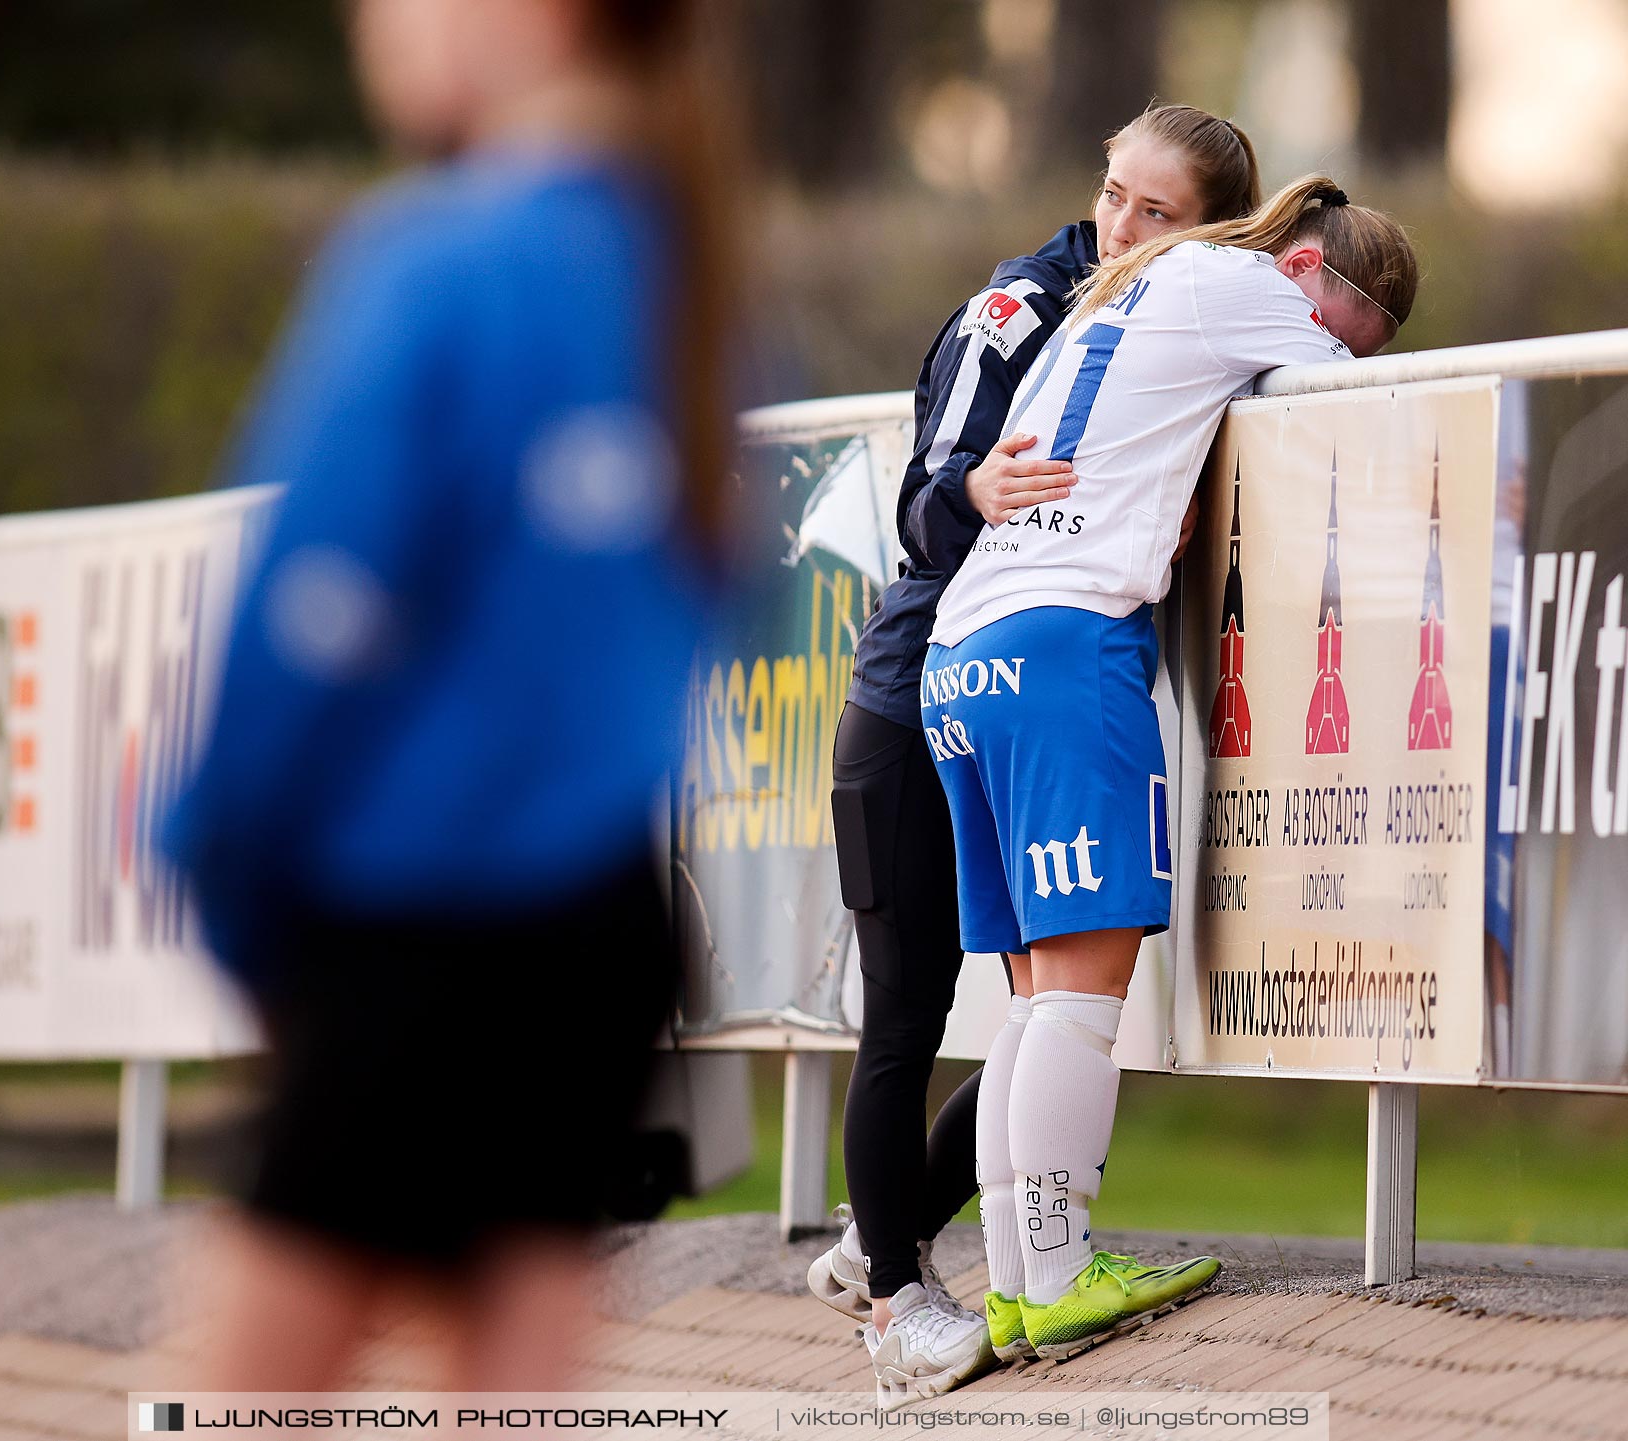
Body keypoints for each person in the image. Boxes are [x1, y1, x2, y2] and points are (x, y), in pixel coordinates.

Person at [160, 0, 740, 1394]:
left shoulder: (435, 259)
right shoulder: (696, 275)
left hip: (406, 931)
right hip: (601, 937)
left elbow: (302, 627)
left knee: (237, 1401)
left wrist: (223, 880)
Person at [811, 104, 1262, 1406]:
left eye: (1156, 211)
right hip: (910, 702)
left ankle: (878, 1244)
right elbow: (919, 495)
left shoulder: (1191, 310)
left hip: (999, 682)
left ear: (1214, 234)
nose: (1121, 225)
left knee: (1028, 1005)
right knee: (909, 1011)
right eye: (1115, 194)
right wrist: (972, 494)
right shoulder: (1026, 303)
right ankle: (895, 1299)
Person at [924, 175, 1417, 1365]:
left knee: (1035, 999)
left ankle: (1011, 1279)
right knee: (1085, 1000)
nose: (1310, 354)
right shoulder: (1247, 283)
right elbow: (1370, 409)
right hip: (1064, 643)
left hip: (966, 649)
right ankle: (1056, 1266)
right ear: (1308, 275)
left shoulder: (1133, 280)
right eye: (1334, 327)